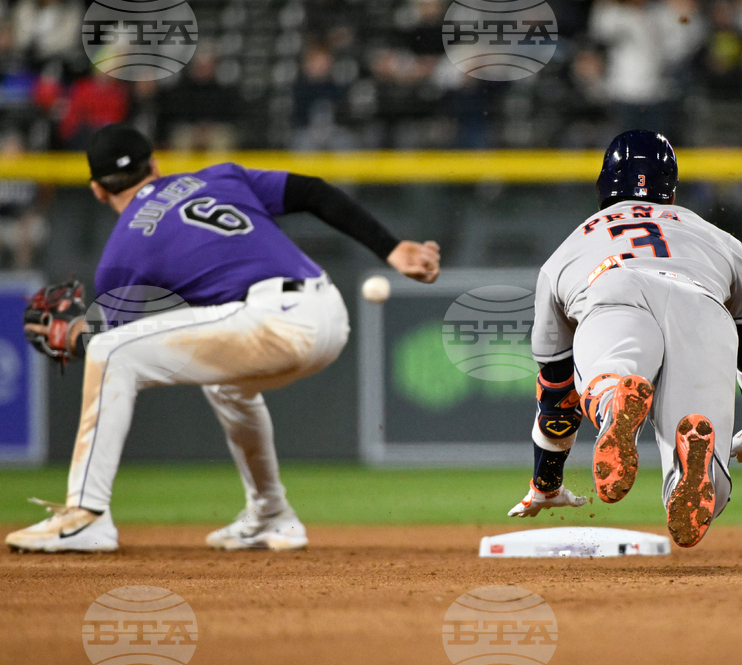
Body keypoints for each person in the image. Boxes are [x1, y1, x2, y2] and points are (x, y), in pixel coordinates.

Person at [6, 124, 440, 553]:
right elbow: (311, 190)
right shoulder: (220, 176)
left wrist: (74, 336)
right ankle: (272, 516)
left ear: (98, 190)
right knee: (224, 384)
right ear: (155, 165)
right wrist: (389, 248)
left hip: (274, 323)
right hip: (326, 311)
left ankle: (86, 514)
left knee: (108, 350)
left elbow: (108, 344)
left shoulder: (122, 253)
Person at [507, 129, 742, 548]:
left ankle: (614, 396)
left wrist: (546, 482)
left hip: (613, 291)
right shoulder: (715, 236)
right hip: (702, 306)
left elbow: (557, 394)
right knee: (713, 488)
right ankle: (691, 472)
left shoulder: (568, 249)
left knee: (606, 376)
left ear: (604, 183)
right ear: (670, 186)